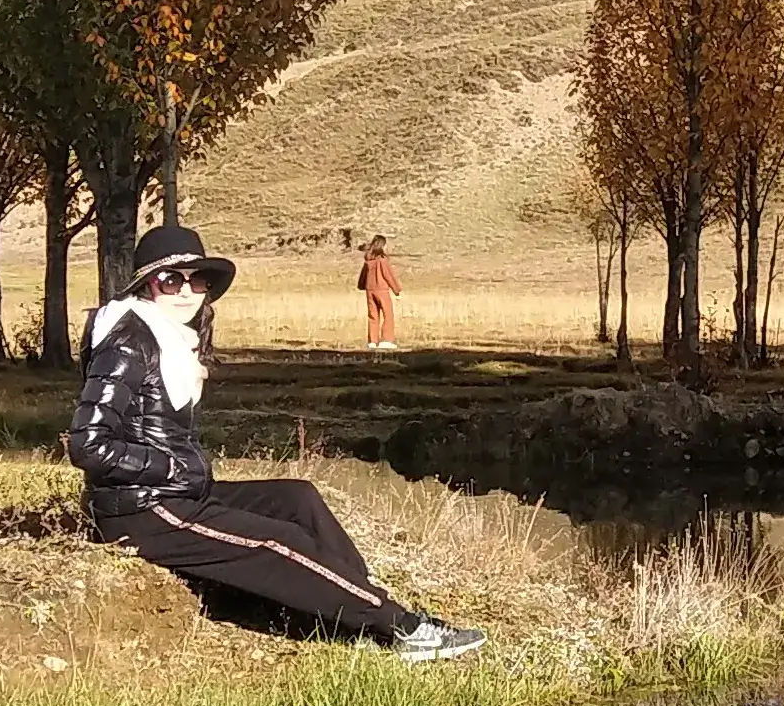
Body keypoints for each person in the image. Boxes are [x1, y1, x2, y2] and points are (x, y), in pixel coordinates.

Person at [69, 222, 482, 661]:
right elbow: (87, 444)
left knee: (297, 499)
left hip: (179, 494)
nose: (186, 291)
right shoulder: (129, 343)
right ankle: (406, 630)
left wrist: (179, 473)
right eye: (172, 280)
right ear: (148, 286)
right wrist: (169, 469)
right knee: (277, 542)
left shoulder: (170, 339)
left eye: (198, 279)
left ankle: (363, 609)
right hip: (143, 510)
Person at [357, 233, 400, 349]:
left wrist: (361, 286)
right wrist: (397, 290)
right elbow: (388, 276)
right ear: (382, 246)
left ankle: (373, 341)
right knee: (388, 314)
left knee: (373, 315)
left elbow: (363, 275)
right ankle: (386, 339)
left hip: (370, 290)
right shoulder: (382, 260)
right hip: (382, 290)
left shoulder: (368, 260)